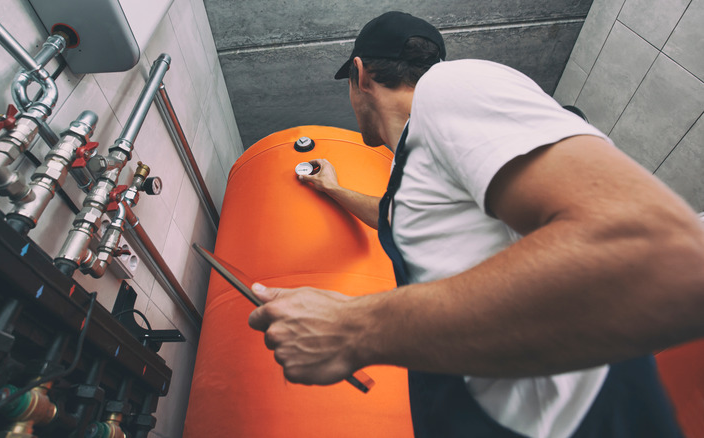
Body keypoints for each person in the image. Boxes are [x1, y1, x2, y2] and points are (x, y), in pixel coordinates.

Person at [247, 11, 704, 438]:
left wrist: (352, 328)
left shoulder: (451, 87)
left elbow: (657, 256)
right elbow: (391, 215)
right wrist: (333, 189)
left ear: (360, 75)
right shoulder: (413, 161)